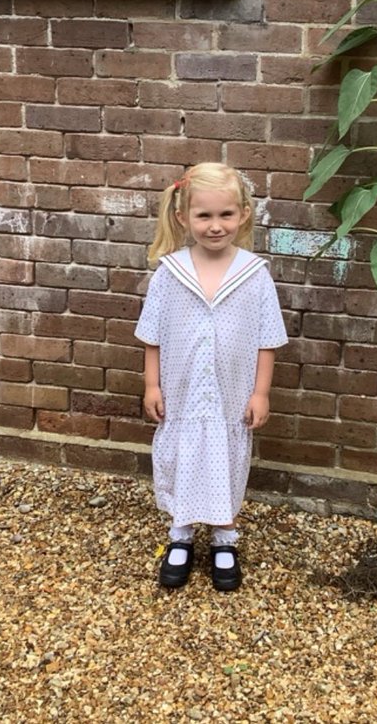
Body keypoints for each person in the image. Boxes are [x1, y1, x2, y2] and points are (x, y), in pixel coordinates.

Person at [134, 162, 288, 592]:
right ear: (184, 217)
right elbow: (153, 337)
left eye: (226, 215)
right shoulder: (170, 273)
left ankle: (225, 538)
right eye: (204, 216)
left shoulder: (254, 275)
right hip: (182, 396)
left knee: (226, 461)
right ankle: (180, 535)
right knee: (180, 459)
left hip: (230, 397)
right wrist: (152, 384)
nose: (216, 226)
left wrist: (261, 392)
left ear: (242, 215)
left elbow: (267, 341)